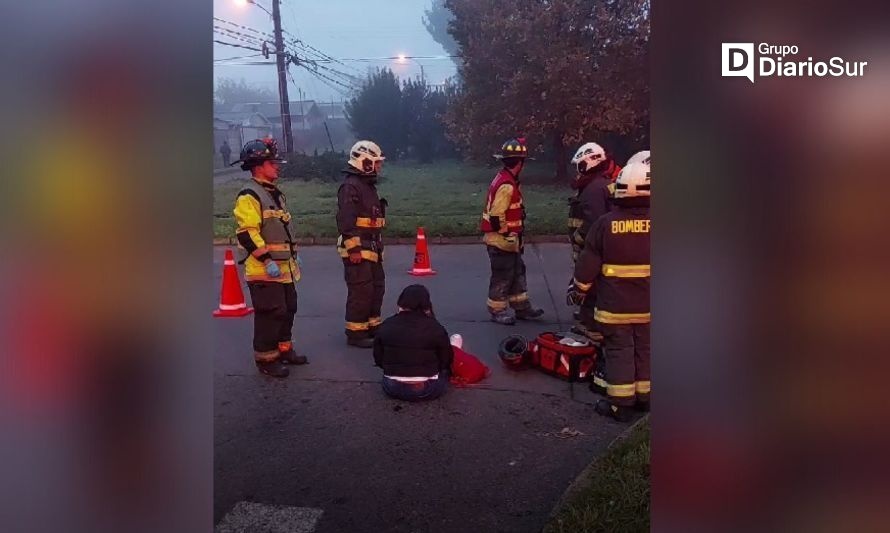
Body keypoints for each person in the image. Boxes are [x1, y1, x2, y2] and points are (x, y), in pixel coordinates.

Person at [567, 162, 650, 422]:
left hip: (615, 310)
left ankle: (621, 404)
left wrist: (578, 291)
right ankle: (646, 398)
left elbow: (587, 263)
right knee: (647, 349)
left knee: (619, 352)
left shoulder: (605, 224)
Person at [231, 137, 307, 378]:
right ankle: (266, 359)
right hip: (264, 269)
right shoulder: (249, 196)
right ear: (258, 166)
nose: (277, 166)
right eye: (272, 162)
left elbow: (280, 228)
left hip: (284, 268)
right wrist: (266, 260)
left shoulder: (274, 193)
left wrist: (294, 255)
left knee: (288, 309)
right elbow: (247, 233)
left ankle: (284, 350)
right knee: (270, 314)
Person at [480, 138, 545, 325]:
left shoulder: (506, 179)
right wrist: (507, 233)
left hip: (510, 241)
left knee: (517, 272)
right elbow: (495, 215)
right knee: (502, 276)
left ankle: (522, 307)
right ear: (520, 163)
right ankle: (497, 310)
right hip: (502, 241)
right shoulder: (507, 185)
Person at [336, 140, 387, 348]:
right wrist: (354, 248)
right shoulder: (350, 187)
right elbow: (346, 220)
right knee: (361, 291)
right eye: (376, 162)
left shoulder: (366, 185)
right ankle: (356, 333)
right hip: (359, 249)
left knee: (376, 288)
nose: (379, 166)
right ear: (364, 162)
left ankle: (372, 326)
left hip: (372, 247)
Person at [567, 142, 620, 326]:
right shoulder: (603, 184)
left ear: (588, 163)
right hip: (602, 252)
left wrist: (578, 239)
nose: (578, 171)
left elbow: (594, 226)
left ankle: (589, 330)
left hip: (591, 253)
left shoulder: (593, 190)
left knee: (591, 292)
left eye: (579, 166)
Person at [373, 285, 453, 401]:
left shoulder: (387, 325)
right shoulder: (435, 327)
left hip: (393, 386)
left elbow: (378, 357)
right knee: (445, 374)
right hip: (427, 388)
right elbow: (446, 359)